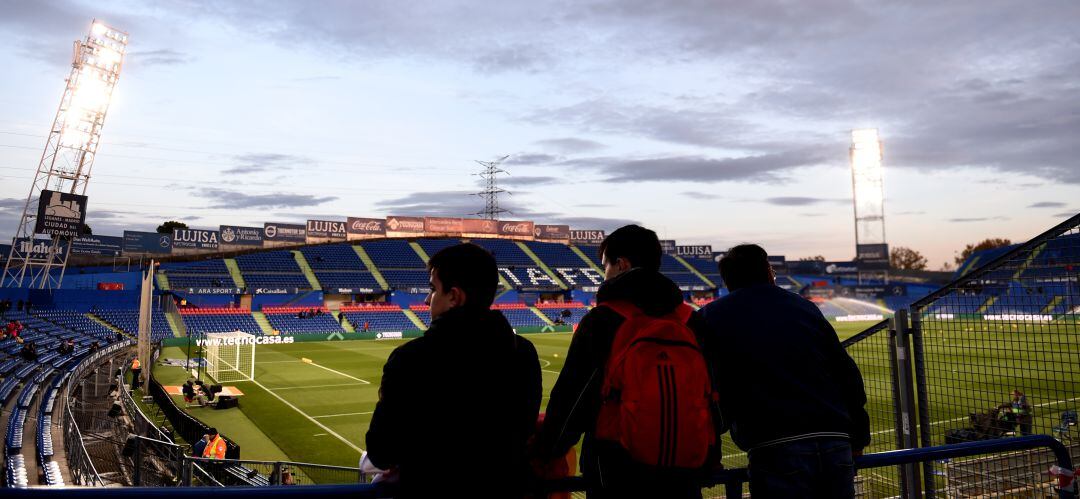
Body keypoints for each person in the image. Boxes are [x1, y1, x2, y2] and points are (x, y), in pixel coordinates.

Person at [533, 225, 716, 499]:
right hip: (686, 468)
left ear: (621, 265)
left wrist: (547, 452)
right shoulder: (692, 320)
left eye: (605, 265)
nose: (603, 273)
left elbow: (572, 399)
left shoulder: (603, 320)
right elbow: (715, 396)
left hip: (616, 468)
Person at [364, 243, 541, 498]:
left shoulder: (410, 359)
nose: (427, 299)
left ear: (454, 297)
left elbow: (382, 451)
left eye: (433, 289)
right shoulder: (523, 353)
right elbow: (523, 431)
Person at [700, 244, 870, 498]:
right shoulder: (805, 307)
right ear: (769, 273)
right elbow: (847, 375)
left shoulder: (710, 317)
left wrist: (709, 453)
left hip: (773, 447)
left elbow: (707, 389)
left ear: (726, 281)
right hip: (835, 443)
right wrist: (858, 438)